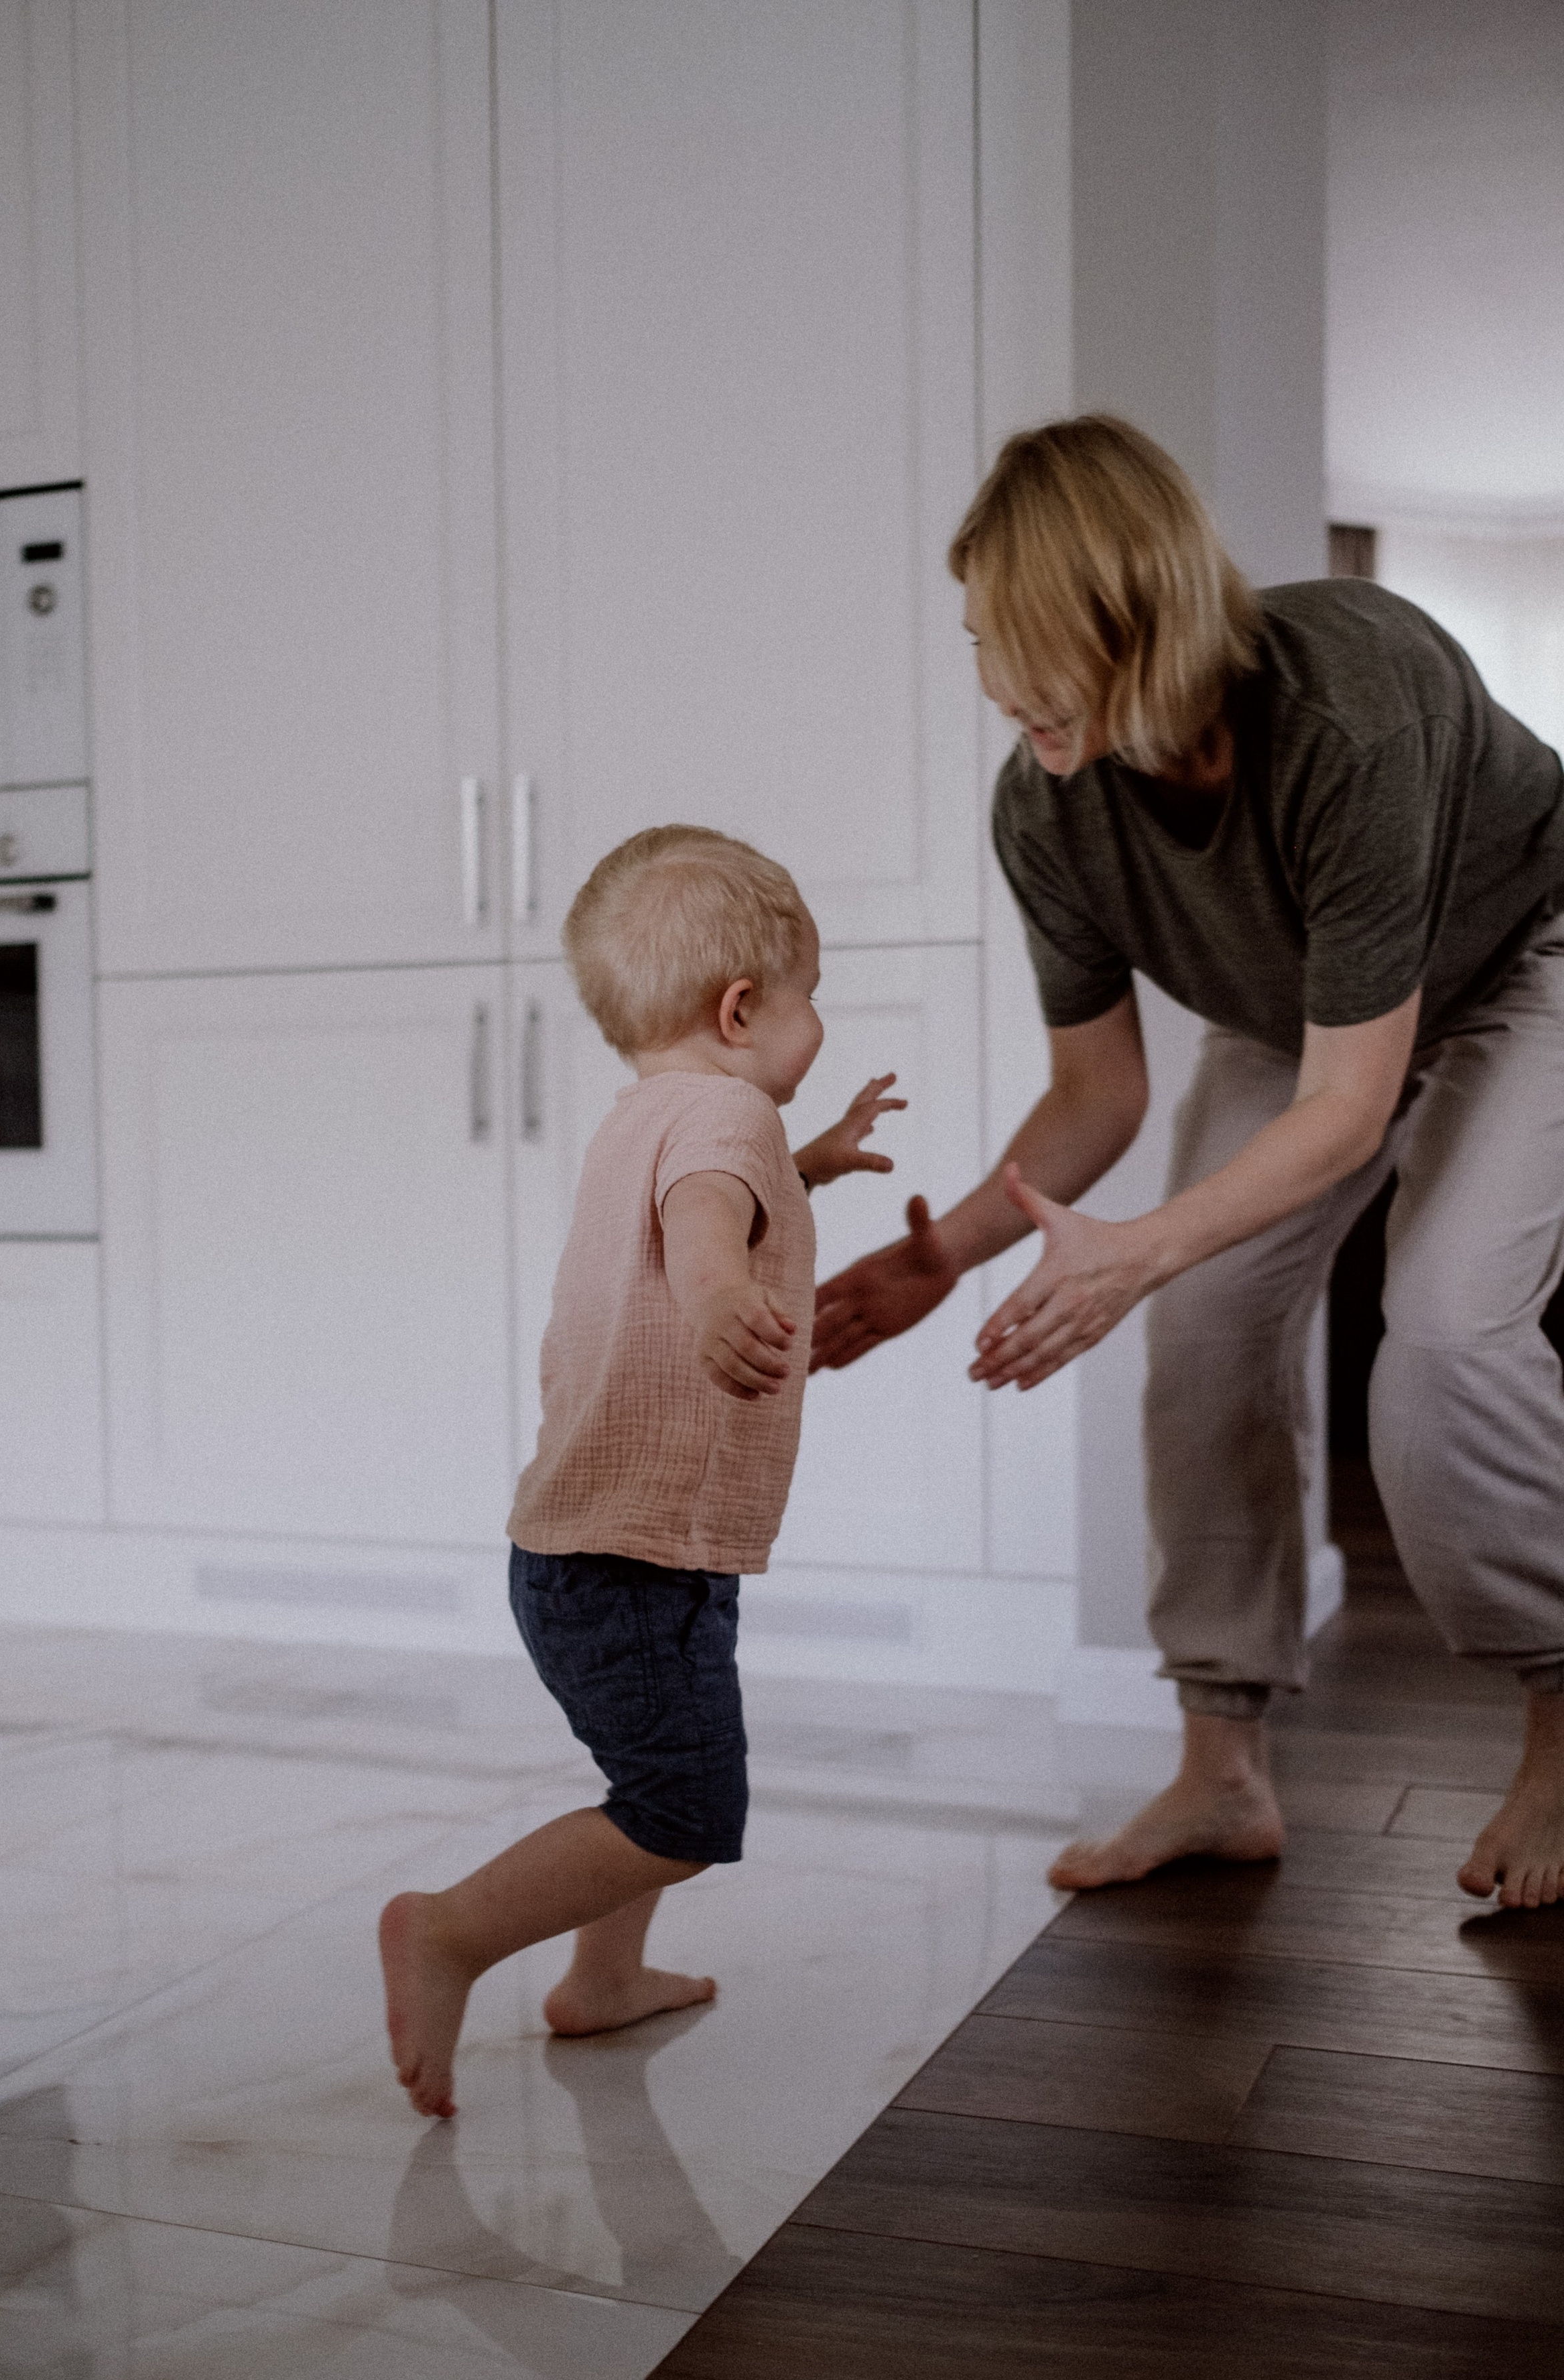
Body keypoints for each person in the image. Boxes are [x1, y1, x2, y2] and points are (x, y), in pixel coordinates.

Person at [813, 413, 1564, 1909]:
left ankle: (1558, 1711)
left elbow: (1347, 1115)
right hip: (1301, 1011)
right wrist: (941, 1253)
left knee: (1443, 1338)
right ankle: (1220, 1769)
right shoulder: (1046, 803)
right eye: (977, 638)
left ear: (1130, 614)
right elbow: (1093, 1094)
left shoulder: (1354, 700)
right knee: (1205, 1336)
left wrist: (1137, 1245)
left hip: (1519, 958)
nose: (994, 684)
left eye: (1022, 642)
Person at [379, 824, 905, 2115]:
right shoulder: (725, 1116)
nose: (818, 1018)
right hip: (628, 1559)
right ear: (742, 1008)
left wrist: (816, 1157)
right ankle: (446, 1931)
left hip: (615, 1549)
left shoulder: (652, 1113)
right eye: (812, 994)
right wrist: (724, 1296)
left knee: (651, 1777)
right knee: (684, 1809)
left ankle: (604, 1983)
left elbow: (719, 1180)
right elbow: (708, 1216)